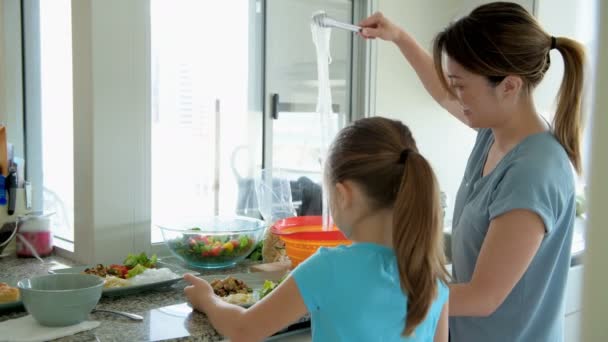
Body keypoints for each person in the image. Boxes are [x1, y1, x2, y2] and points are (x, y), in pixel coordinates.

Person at [359, 2, 585, 341]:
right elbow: (441, 92)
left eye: (462, 85)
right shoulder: (494, 133)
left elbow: (483, 297)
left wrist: (384, 295)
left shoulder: (534, 172)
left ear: (509, 86)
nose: (455, 94)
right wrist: (399, 37)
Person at [184, 117, 450, 341]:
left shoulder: (330, 267)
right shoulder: (433, 275)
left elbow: (244, 330)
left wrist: (208, 300)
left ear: (342, 194)